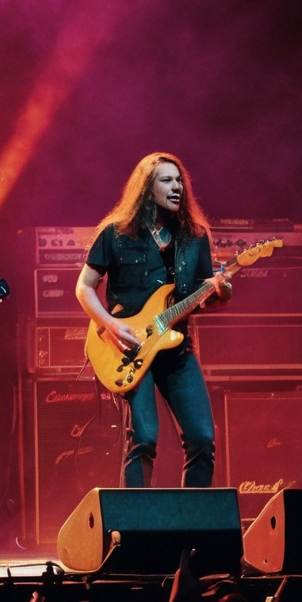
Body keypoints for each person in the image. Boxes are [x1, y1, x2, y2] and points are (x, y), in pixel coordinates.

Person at [76, 152, 230, 487]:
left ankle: (192, 531)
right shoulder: (116, 234)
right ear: (147, 189)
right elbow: (84, 288)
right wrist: (110, 324)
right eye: (167, 180)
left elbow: (200, 301)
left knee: (203, 439)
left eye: (179, 181)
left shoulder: (195, 237)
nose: (177, 187)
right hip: (129, 347)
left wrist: (219, 295)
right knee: (144, 437)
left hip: (175, 349)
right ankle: (135, 532)